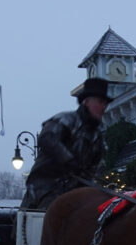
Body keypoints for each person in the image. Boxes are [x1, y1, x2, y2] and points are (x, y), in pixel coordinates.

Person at [20, 77, 111, 211]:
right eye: (100, 102)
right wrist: (68, 160)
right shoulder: (65, 120)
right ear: (86, 101)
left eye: (105, 103)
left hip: (76, 194)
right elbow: (47, 138)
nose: (104, 107)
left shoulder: (97, 136)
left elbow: (93, 170)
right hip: (44, 190)